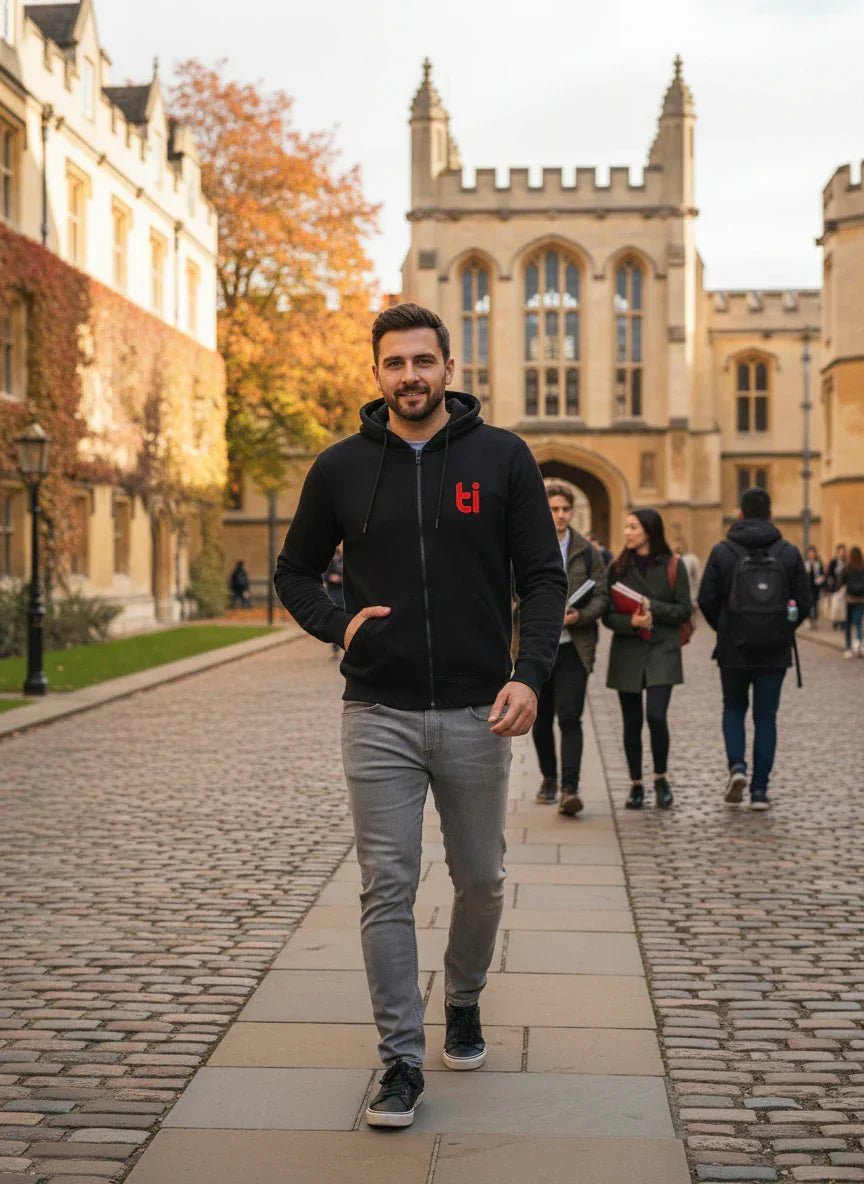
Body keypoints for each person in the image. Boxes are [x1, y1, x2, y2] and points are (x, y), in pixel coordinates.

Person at [273, 302, 565, 1128]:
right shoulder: (338, 468)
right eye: (395, 363)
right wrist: (338, 625)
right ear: (377, 373)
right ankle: (399, 1060)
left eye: (424, 362)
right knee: (387, 887)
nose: (411, 377)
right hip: (379, 711)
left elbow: (542, 578)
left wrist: (530, 675)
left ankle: (464, 999)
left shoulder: (502, 458)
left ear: (448, 367)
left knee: (481, 879)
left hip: (480, 710)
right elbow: (293, 572)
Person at [698, 487, 809, 811]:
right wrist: (782, 629)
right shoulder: (788, 552)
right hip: (774, 651)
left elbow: (706, 598)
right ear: (771, 514)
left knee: (733, 709)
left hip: (734, 650)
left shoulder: (723, 551)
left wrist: (726, 629)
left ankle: (737, 767)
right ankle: (760, 791)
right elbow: (804, 601)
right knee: (766, 717)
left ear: (740, 514)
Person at [603, 509, 691, 811]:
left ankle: (661, 778)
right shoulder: (616, 567)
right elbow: (608, 616)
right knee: (631, 722)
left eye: (633, 527)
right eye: (626, 526)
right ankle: (636, 784)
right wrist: (632, 623)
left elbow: (684, 610)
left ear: (649, 532)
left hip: (662, 649)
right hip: (628, 651)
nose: (627, 532)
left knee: (656, 715)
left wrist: (654, 609)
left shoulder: (673, 566)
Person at [532, 480, 609, 816]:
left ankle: (570, 788)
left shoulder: (586, 550)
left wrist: (580, 615)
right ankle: (549, 777)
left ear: (572, 512)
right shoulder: (529, 545)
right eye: (553, 509)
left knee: (570, 717)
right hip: (537, 646)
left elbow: (602, 595)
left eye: (565, 509)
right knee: (540, 718)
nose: (560, 515)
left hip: (574, 647)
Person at [840, 545, 864, 657]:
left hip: (849, 599)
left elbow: (840, 582)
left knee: (848, 624)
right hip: (860, 599)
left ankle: (848, 648)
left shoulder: (847, 567)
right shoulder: (862, 567)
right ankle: (859, 642)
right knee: (858, 622)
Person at [323, 546, 345, 656]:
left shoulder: (344, 561)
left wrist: (340, 579)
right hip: (333, 592)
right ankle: (336, 646)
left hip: (343, 592)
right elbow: (325, 575)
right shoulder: (329, 563)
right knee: (335, 617)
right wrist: (331, 577)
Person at [803, 545, 826, 629]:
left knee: (815, 604)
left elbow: (823, 574)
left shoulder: (818, 563)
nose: (811, 554)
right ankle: (808, 619)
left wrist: (820, 580)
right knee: (808, 604)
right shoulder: (805, 563)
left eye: (813, 553)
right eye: (810, 553)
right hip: (807, 587)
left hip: (816, 587)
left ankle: (815, 620)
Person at [826, 543, 848, 631]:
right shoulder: (834, 562)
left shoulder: (846, 562)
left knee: (843, 606)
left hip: (844, 587)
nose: (842, 553)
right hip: (835, 587)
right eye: (841, 551)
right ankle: (835, 621)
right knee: (835, 605)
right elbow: (829, 574)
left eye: (843, 551)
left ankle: (843, 623)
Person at [675, 540, 701, 606]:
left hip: (691, 600)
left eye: (680, 544)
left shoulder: (692, 559)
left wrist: (694, 600)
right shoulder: (673, 560)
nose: (678, 546)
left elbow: (697, 580)